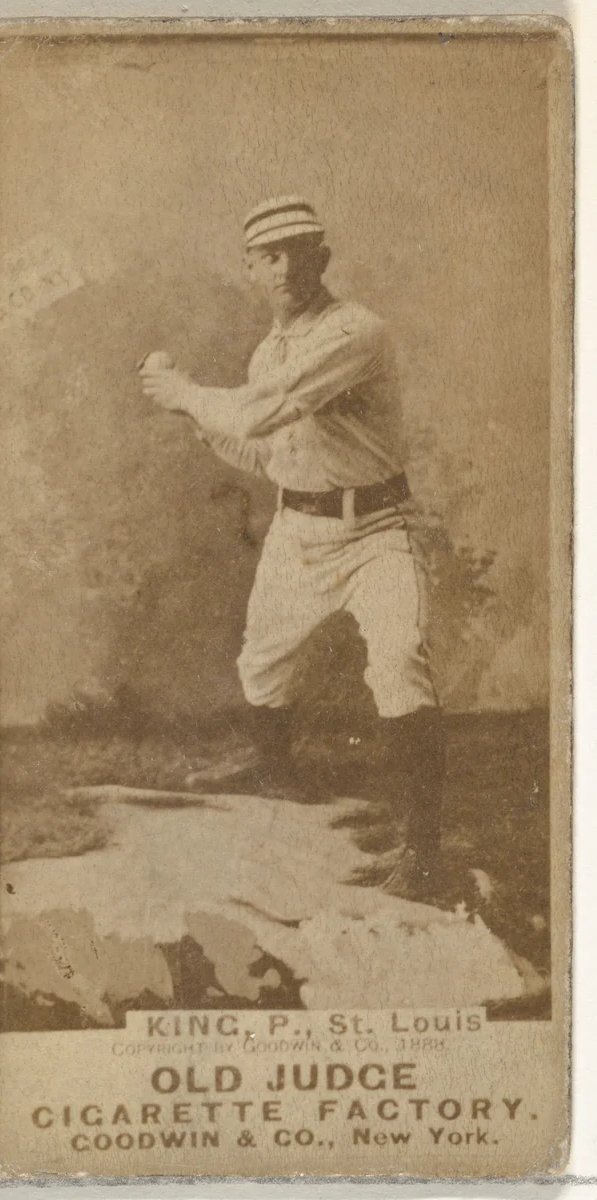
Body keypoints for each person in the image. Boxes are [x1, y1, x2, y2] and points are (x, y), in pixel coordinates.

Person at [139, 196, 445, 901]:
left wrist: (183, 390)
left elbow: (256, 410)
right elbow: (267, 450)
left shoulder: (356, 332)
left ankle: (424, 853)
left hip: (377, 531)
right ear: (250, 268)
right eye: (268, 255)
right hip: (299, 528)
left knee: (399, 663)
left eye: (298, 250)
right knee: (263, 660)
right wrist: (192, 412)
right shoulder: (269, 349)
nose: (284, 267)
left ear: (323, 258)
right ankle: (273, 774)